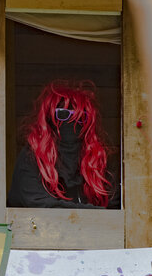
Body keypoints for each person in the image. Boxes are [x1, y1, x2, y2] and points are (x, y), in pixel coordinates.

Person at [8, 81, 116, 209]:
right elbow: (38, 203)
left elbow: (114, 206)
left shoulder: (97, 161)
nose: (71, 122)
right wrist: (98, 213)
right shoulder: (31, 158)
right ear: (49, 118)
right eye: (63, 114)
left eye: (80, 118)